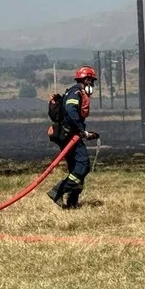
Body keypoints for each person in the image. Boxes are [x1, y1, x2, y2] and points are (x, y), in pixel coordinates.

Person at [47, 66, 99, 209]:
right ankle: (57, 190)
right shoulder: (76, 92)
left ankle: (72, 203)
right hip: (69, 135)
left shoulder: (73, 92)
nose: (93, 86)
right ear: (87, 80)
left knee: (76, 170)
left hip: (68, 135)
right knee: (83, 166)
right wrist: (82, 130)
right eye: (92, 82)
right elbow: (70, 110)